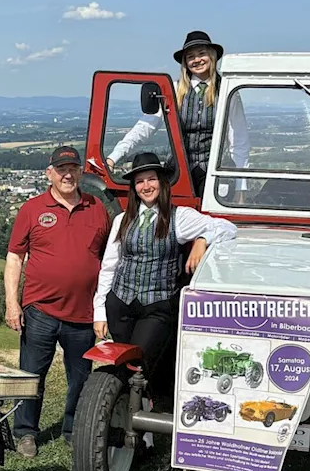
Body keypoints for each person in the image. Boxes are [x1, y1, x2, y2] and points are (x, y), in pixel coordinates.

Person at [4, 146, 112, 457]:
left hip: (83, 312)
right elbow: (15, 257)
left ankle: (73, 428)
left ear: (80, 172)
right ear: (49, 173)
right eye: (61, 169)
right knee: (30, 376)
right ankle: (25, 432)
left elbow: (108, 259)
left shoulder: (96, 208)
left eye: (73, 168)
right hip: (40, 310)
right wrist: (13, 304)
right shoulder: (33, 208)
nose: (68, 174)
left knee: (79, 378)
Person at [92, 153, 236, 380]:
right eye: (139, 181)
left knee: (140, 363)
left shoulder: (180, 217)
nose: (146, 186)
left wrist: (202, 240)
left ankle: (146, 404)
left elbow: (227, 228)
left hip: (157, 306)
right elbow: (110, 266)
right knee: (121, 365)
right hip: (120, 304)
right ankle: (120, 408)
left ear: (162, 182)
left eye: (151, 179)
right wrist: (99, 311)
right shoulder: (123, 219)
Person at [105, 31, 248, 196]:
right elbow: (145, 126)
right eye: (190, 57)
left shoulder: (228, 91)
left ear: (212, 56)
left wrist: (240, 187)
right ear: (185, 63)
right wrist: (114, 156)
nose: (197, 60)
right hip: (179, 174)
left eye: (202, 54)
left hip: (214, 175)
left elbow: (238, 139)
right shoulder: (174, 90)